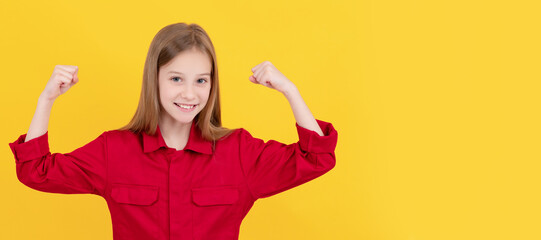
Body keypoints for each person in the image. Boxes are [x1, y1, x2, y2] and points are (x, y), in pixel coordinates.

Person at [8, 22, 338, 240]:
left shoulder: (239, 153)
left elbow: (316, 158)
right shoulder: (115, 151)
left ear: (212, 85)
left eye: (201, 80)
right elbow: (36, 172)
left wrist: (290, 90)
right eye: (176, 79)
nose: (189, 94)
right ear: (155, 79)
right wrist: (46, 99)